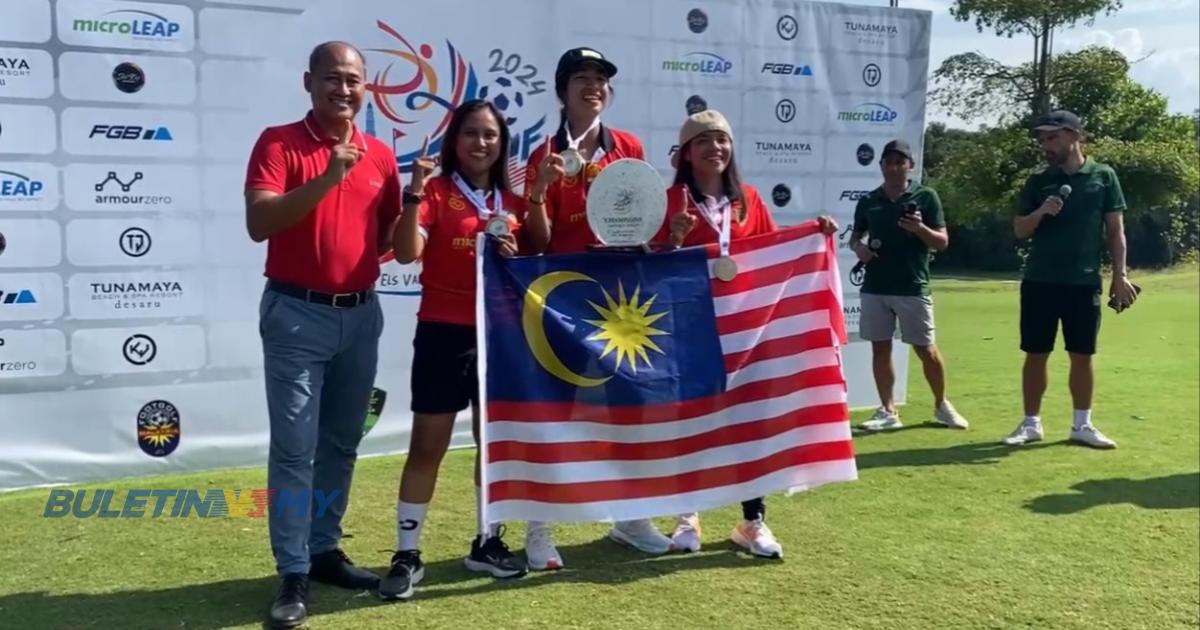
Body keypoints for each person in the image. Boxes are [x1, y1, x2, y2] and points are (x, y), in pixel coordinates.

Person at [244, 41, 399, 629]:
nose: (343, 88)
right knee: (294, 448)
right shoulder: (279, 142)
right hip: (295, 314)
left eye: (354, 80)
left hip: (361, 314)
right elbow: (261, 222)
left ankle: (323, 550)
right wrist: (329, 177)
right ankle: (292, 570)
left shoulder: (380, 154)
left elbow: (384, 239)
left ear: (366, 88)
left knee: (340, 443)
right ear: (309, 83)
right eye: (332, 78)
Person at [656, 109, 838, 559]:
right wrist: (673, 241)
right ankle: (687, 515)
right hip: (688, 330)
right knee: (691, 421)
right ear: (686, 153)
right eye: (703, 141)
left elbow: (774, 253)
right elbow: (649, 267)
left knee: (750, 422)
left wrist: (815, 233)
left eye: (721, 140)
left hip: (745, 329)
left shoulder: (749, 200)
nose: (714, 148)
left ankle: (752, 521)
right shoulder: (668, 199)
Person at [521, 46, 672, 569]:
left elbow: (643, 216)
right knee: (556, 414)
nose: (594, 86)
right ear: (562, 89)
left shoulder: (626, 146)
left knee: (627, 412)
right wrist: (540, 191)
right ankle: (538, 527)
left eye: (602, 79)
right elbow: (533, 243)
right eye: (582, 77)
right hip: (562, 297)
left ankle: (631, 518)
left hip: (621, 298)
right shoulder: (541, 151)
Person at [379, 99, 525, 602]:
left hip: (498, 338)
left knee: (492, 448)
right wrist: (414, 193)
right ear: (454, 140)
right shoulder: (437, 192)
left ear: (502, 143)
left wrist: (513, 254)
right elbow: (404, 253)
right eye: (471, 134)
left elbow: (535, 265)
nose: (481, 143)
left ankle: (487, 542)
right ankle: (407, 552)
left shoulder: (515, 204)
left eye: (490, 135)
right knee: (428, 448)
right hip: (444, 334)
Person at [1003, 110, 1136, 449]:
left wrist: (1120, 276)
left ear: (1075, 136)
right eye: (1043, 139)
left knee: (1082, 354)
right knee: (1036, 353)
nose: (1046, 144)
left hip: (1084, 282)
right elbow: (1020, 229)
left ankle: (1082, 425)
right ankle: (1031, 423)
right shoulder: (1038, 181)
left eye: (1052, 137)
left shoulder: (1103, 176)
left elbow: (1115, 232)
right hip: (1040, 281)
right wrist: (1040, 212)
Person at [850, 139, 969, 433]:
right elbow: (855, 237)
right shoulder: (869, 201)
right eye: (888, 162)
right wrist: (859, 249)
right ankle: (888, 411)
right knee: (880, 349)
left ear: (910, 166)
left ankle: (942, 405)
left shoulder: (926, 197)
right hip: (876, 286)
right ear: (881, 166)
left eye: (899, 162)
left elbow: (942, 243)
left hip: (912, 287)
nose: (893, 167)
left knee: (926, 349)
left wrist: (919, 229)